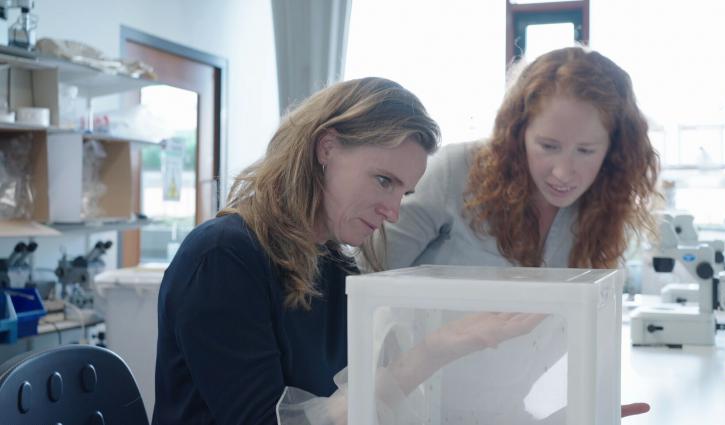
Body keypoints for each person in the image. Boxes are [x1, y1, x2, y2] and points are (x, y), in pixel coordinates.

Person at [152, 77, 545, 425]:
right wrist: (433, 350)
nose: (392, 211)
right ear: (328, 148)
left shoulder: (335, 266)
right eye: (382, 180)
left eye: (403, 192)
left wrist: (447, 347)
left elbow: (346, 405)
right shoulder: (223, 257)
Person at [373, 47, 659, 417]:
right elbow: (359, 291)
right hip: (403, 412)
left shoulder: (597, 217)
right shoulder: (455, 174)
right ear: (519, 132)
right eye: (547, 146)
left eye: (586, 150)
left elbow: (518, 363)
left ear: (614, 150)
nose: (562, 172)